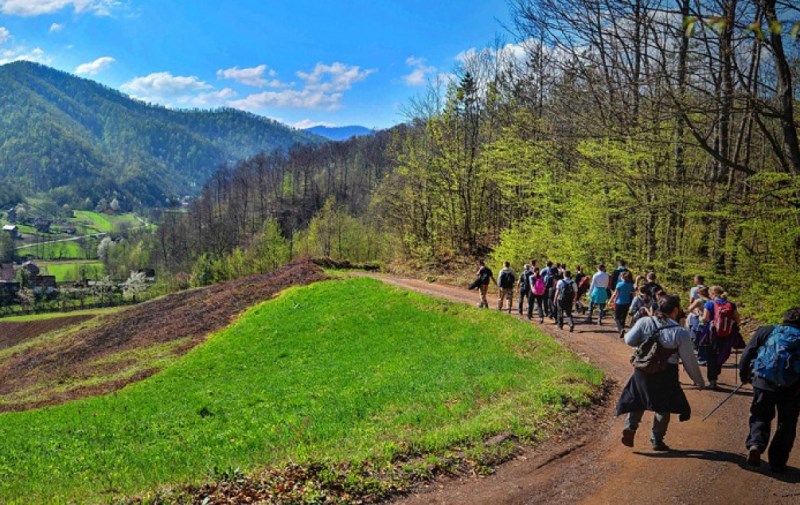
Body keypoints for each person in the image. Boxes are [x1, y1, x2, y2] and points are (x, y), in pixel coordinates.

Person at [617, 295, 706, 451]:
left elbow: (629, 340)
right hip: (667, 371)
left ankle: (630, 428)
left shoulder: (645, 321)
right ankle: (657, 440)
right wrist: (698, 380)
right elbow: (689, 359)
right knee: (663, 406)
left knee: (639, 398)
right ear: (675, 310)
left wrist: (644, 343)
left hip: (643, 368)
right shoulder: (680, 332)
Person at [739, 307, 800, 472]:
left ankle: (755, 446)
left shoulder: (767, 331)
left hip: (763, 383)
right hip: (792, 389)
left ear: (784, 318)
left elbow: (748, 353)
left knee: (760, 415)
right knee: (787, 423)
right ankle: (778, 462)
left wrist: (744, 375)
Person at [701, 285, 742, 389]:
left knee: (711, 356)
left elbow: (705, 319)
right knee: (722, 354)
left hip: (712, 334)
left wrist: (700, 318)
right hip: (727, 335)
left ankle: (712, 381)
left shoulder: (709, 304)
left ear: (712, 294)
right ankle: (717, 371)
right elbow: (738, 320)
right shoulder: (731, 305)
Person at [686, 286, 711, 364]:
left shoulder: (699, 301)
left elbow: (689, 309)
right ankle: (707, 357)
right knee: (707, 340)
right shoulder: (711, 300)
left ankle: (701, 358)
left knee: (698, 339)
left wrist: (696, 313)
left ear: (700, 293)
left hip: (701, 322)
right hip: (710, 322)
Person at [609, 271, 635, 338]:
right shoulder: (631, 285)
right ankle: (622, 329)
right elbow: (633, 293)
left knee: (617, 317)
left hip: (619, 302)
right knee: (623, 317)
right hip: (627, 302)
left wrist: (610, 300)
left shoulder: (619, 284)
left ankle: (621, 329)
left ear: (622, 277)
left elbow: (615, 293)